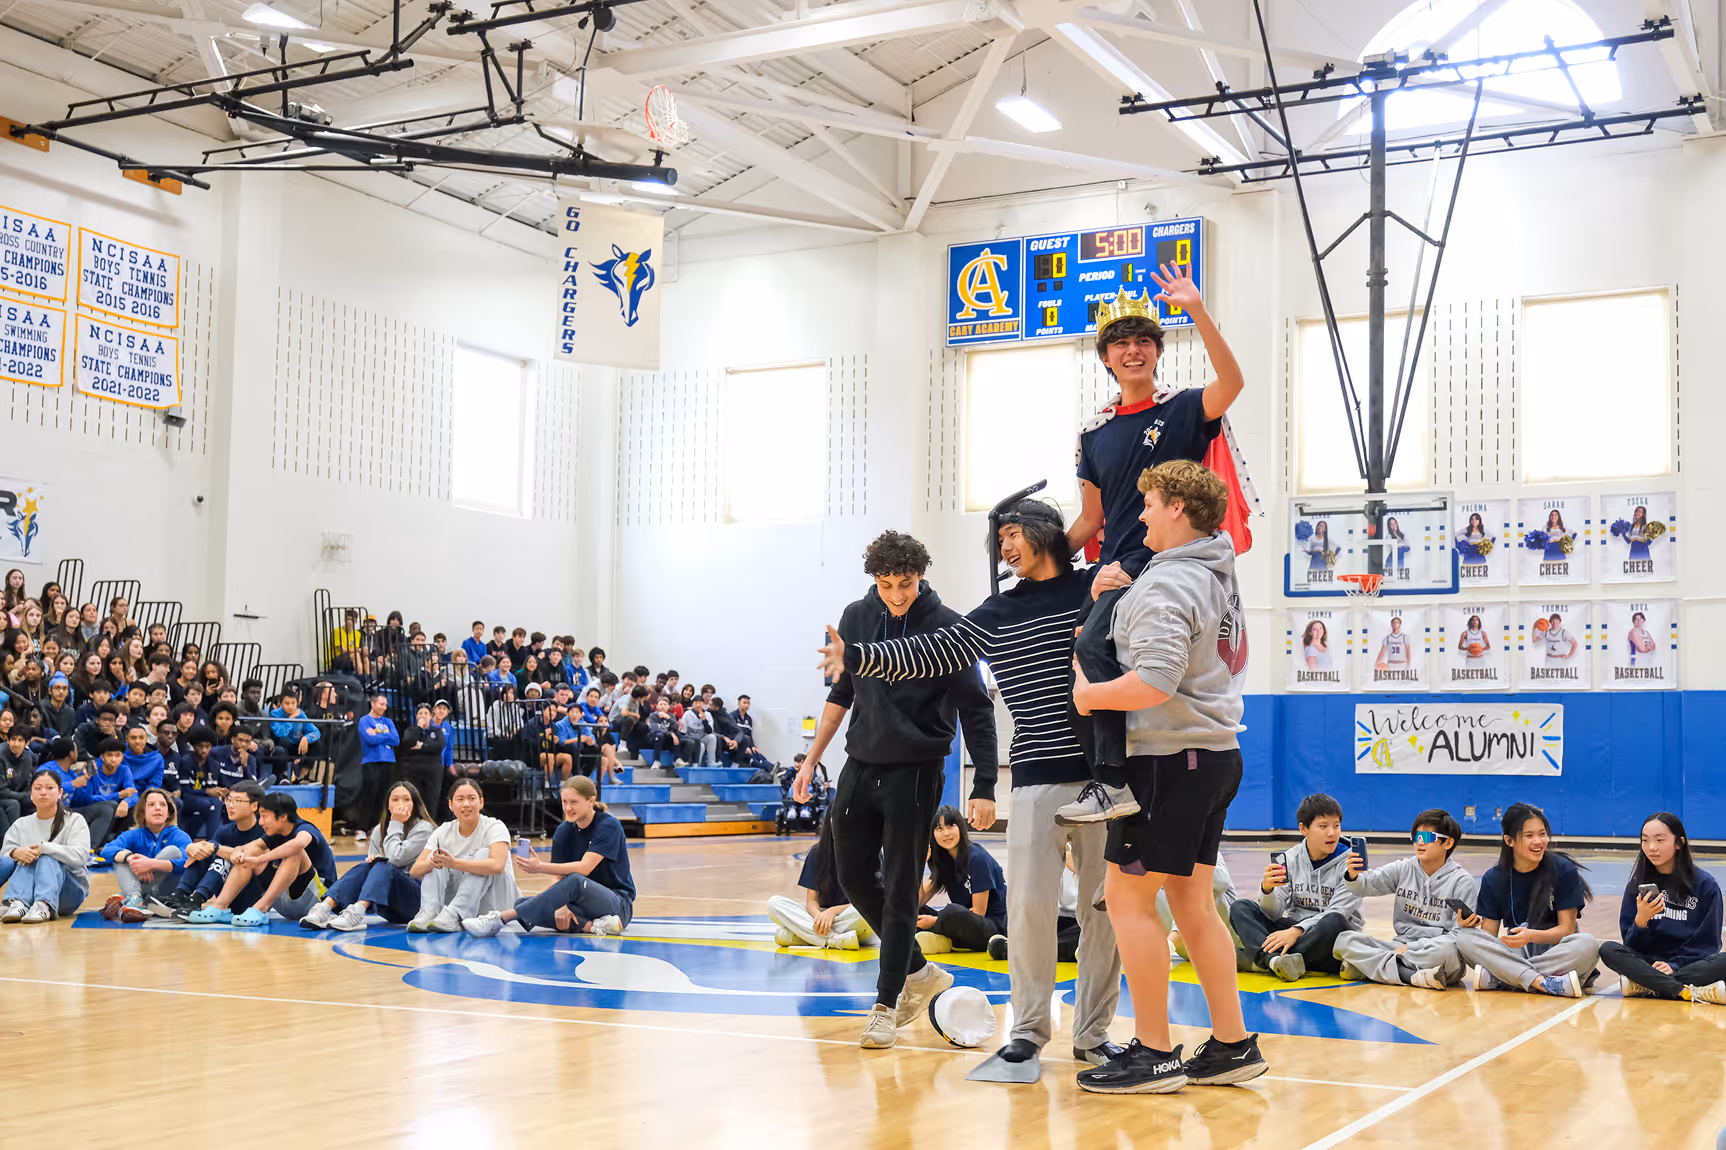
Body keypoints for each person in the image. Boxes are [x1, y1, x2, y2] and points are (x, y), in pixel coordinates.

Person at [818, 497, 1122, 1065]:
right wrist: (856, 654)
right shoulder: (996, 610)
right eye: (999, 539)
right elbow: (929, 652)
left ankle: (1093, 1035)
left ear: (1046, 532)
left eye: (1014, 534)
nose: (1005, 546)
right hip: (1033, 776)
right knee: (1028, 910)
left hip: (1104, 781)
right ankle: (1028, 1030)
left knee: (1103, 915)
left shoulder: (1097, 589)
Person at [1069, 460, 1264, 1093]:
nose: (1141, 514)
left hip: (1167, 761)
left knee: (1128, 899)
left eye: (1149, 503)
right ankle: (1232, 1043)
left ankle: (1154, 1052)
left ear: (1178, 508)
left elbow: (1153, 682)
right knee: (1192, 903)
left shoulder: (1169, 584)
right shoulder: (1214, 575)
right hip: (1213, 756)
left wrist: (1089, 696)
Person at [795, 529, 998, 1050]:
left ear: (920, 576)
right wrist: (812, 758)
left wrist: (985, 783)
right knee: (850, 874)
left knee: (903, 882)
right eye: (886, 585)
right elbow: (842, 692)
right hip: (860, 764)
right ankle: (918, 970)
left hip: (917, 768)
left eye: (905, 583)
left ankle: (886, 1004)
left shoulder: (949, 627)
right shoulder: (856, 617)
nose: (896, 595)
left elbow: (977, 710)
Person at [1061, 264, 1247, 826]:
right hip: (1115, 564)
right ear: (1105, 357)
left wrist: (1196, 309)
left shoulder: (1183, 407)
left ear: (1158, 351)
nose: (1133, 350)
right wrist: (1039, 558)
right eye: (1121, 343)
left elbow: (1233, 384)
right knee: (1078, 655)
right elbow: (1091, 519)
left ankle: (1111, 780)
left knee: (1096, 647)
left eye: (1144, 340)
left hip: (1168, 561)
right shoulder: (1093, 433)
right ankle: (1109, 775)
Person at [1456, 802, 1600, 997]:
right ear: (1509, 840)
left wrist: (1531, 936)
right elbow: (1488, 937)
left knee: (1588, 945)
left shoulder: (1563, 870)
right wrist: (1468, 926)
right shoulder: (1494, 878)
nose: (1538, 841)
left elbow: (1566, 930)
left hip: (1556, 949)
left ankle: (1504, 977)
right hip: (1516, 949)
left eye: (1542, 834)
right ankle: (1544, 982)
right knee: (1464, 937)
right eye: (1529, 836)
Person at [463, 776, 633, 938]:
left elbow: (584, 868)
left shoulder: (608, 825)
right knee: (522, 904)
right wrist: (562, 905)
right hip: (580, 903)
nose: (568, 808)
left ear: (591, 801)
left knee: (574, 881)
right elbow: (557, 876)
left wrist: (539, 867)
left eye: (574, 802)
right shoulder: (564, 830)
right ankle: (593, 926)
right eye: (564, 802)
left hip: (617, 904)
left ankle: (500, 919)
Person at [1333, 810, 1477, 990]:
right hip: (1399, 945)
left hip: (1435, 950)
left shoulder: (1462, 881)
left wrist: (1411, 948)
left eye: (1427, 837)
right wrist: (1353, 875)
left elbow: (1459, 937)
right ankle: (1411, 975)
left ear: (1448, 842)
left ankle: (1372, 968)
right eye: (1416, 836)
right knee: (1345, 940)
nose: (1420, 842)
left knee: (1446, 952)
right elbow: (1364, 886)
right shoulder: (1404, 868)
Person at [1229, 793, 1360, 981]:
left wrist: (1297, 931)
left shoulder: (1352, 864)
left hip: (1330, 935)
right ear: (1303, 828)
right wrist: (1267, 890)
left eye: (1336, 825)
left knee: (1334, 921)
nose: (1332, 833)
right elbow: (1273, 914)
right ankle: (1275, 961)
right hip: (1294, 931)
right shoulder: (1290, 859)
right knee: (1240, 907)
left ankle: (1261, 960)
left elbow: (1339, 911)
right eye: (1323, 826)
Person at [1597, 812, 1726, 1003]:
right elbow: (1630, 946)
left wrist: (1674, 965)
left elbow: (1708, 943)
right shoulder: (1637, 884)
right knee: (1608, 949)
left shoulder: (1705, 886)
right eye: (1645, 840)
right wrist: (1641, 921)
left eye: (1660, 840)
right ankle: (1684, 990)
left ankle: (1647, 985)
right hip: (1647, 963)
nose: (1651, 847)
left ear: (1679, 843)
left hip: (1687, 964)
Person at [186, 792, 338, 926]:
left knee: (294, 852)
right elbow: (246, 849)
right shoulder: (275, 833)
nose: (260, 822)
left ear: (283, 816)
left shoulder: (305, 828)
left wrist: (260, 859)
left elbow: (298, 844)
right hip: (285, 900)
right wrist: (215, 848)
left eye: (264, 816)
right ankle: (221, 907)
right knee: (250, 853)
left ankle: (260, 908)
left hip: (317, 901)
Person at [301, 781, 436, 931]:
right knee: (366, 866)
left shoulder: (424, 829)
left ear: (415, 804)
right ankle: (325, 908)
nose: (400, 804)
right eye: (395, 800)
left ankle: (357, 913)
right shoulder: (379, 830)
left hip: (417, 902)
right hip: (388, 905)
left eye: (406, 799)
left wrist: (396, 823)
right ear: (388, 805)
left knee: (384, 865)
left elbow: (395, 858)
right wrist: (373, 862)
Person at [407, 779, 518, 933]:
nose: (466, 804)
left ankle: (456, 915)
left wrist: (454, 863)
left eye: (471, 799)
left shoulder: (495, 827)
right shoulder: (442, 831)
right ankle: (428, 912)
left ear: (481, 802)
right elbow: (414, 871)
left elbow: (497, 866)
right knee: (435, 857)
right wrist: (432, 863)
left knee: (484, 854)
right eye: (460, 799)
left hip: (497, 906)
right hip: (457, 906)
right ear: (451, 805)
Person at [150, 782, 268, 917]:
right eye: (229, 800)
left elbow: (252, 857)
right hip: (225, 894)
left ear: (254, 806)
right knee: (204, 852)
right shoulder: (224, 831)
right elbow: (208, 849)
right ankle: (179, 896)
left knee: (220, 855)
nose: (230, 805)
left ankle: (197, 900)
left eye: (238, 801)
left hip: (253, 896)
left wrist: (215, 848)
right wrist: (195, 849)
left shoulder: (265, 831)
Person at [767, 815, 873, 949]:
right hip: (821, 915)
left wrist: (832, 912)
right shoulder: (817, 852)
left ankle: (806, 937)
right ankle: (835, 939)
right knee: (774, 903)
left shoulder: (868, 853)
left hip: (850, 914)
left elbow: (869, 901)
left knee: (869, 912)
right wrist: (819, 918)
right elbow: (811, 902)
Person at [914, 806, 1007, 957]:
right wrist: (919, 865)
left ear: (960, 828)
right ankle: (944, 938)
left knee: (951, 911)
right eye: (939, 828)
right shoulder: (944, 860)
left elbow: (979, 912)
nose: (946, 833)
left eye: (951, 826)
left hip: (992, 928)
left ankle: (942, 935)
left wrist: (936, 921)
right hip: (960, 924)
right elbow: (920, 900)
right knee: (910, 907)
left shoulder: (977, 859)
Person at [0, 769, 91, 922]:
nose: (43, 792)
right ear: (31, 793)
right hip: (30, 890)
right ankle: (18, 903)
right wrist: (16, 853)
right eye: (37, 788)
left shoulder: (74, 820)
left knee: (45, 857)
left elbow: (79, 858)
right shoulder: (21, 823)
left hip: (68, 892)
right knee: (25, 858)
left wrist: (45, 848)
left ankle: (43, 905)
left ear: (60, 792)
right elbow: (4, 859)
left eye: (49, 788)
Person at [99, 787, 191, 921]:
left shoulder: (180, 835)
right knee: (122, 854)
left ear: (169, 813)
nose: (158, 808)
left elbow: (188, 861)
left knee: (173, 851)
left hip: (169, 895)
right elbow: (106, 850)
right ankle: (135, 899)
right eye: (151, 805)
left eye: (163, 805)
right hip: (145, 891)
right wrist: (130, 858)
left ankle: (129, 896)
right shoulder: (134, 834)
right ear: (143, 811)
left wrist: (150, 864)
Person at [73, 737, 136, 850]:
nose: (113, 759)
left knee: (131, 807)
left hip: (108, 810)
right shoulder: (92, 768)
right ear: (102, 757)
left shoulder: (124, 770)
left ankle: (116, 845)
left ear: (122, 757)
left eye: (117, 755)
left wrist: (126, 802)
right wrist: (118, 795)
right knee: (111, 805)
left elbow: (133, 793)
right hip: (85, 810)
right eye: (109, 755)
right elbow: (87, 798)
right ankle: (89, 849)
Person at [355, 693, 399, 844]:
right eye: (381, 704)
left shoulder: (388, 721)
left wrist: (378, 733)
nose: (384, 707)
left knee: (384, 796)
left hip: (389, 761)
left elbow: (396, 739)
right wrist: (386, 735)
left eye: (386, 705)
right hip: (371, 761)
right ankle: (361, 828)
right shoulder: (364, 720)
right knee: (369, 795)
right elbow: (369, 739)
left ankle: (379, 827)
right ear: (373, 704)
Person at [396, 703, 447, 815]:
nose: (423, 716)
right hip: (413, 770)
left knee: (431, 800)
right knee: (414, 798)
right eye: (420, 713)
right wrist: (419, 728)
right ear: (416, 716)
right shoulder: (410, 730)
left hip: (433, 770)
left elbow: (439, 746)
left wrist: (421, 746)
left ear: (431, 716)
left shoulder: (436, 731)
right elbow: (409, 742)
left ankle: (430, 822)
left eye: (425, 713)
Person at [268, 690, 321, 782]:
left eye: (293, 703)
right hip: (281, 745)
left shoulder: (300, 714)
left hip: (296, 745)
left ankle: (302, 776)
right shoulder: (275, 714)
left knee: (316, 744)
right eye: (287, 703)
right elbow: (280, 733)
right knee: (282, 744)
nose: (291, 706)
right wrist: (291, 718)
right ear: (280, 704)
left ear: (297, 703)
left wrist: (306, 738)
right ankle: (282, 777)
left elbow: (316, 731)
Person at [681, 696, 718, 766]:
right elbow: (683, 732)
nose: (698, 705)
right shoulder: (687, 714)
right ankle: (697, 765)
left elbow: (709, 731)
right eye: (696, 703)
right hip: (691, 739)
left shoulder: (707, 714)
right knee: (701, 746)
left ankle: (711, 762)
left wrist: (704, 720)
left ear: (703, 704)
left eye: (700, 703)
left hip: (702, 738)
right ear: (692, 704)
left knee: (712, 737)